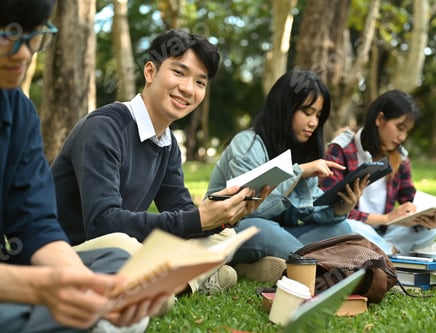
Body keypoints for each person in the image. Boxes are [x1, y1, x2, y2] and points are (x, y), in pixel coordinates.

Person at [51, 29, 271, 297]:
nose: (188, 89)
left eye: (200, 82)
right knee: (123, 244)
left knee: (222, 237)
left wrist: (223, 214)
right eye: (179, 73)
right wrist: (197, 220)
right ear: (150, 72)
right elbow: (102, 224)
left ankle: (168, 287)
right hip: (69, 252)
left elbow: (180, 211)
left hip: (124, 249)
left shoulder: (167, 144)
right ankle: (182, 283)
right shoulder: (104, 128)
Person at [0, 1, 169, 332]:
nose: (23, 54)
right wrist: (37, 289)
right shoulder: (104, 126)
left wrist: (76, 283)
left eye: (34, 36)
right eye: (7, 36)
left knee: (121, 266)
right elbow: (103, 218)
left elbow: (35, 224)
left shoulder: (20, 112)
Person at [206, 69, 367, 283]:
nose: (314, 123)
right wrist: (298, 172)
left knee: (340, 228)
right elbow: (250, 209)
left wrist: (340, 208)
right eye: (307, 112)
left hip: (278, 233)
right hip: (232, 230)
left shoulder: (299, 149)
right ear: (285, 108)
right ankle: (327, 271)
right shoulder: (247, 143)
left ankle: (253, 266)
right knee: (264, 229)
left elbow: (305, 211)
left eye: (318, 115)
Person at [320, 89, 436, 255]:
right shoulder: (342, 149)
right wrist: (387, 218)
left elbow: (409, 199)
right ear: (380, 119)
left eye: (406, 131)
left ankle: (382, 252)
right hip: (352, 227)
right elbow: (330, 209)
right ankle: (398, 252)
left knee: (431, 231)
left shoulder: (400, 158)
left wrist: (426, 217)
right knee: (346, 227)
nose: (402, 137)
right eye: (399, 128)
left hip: (383, 232)